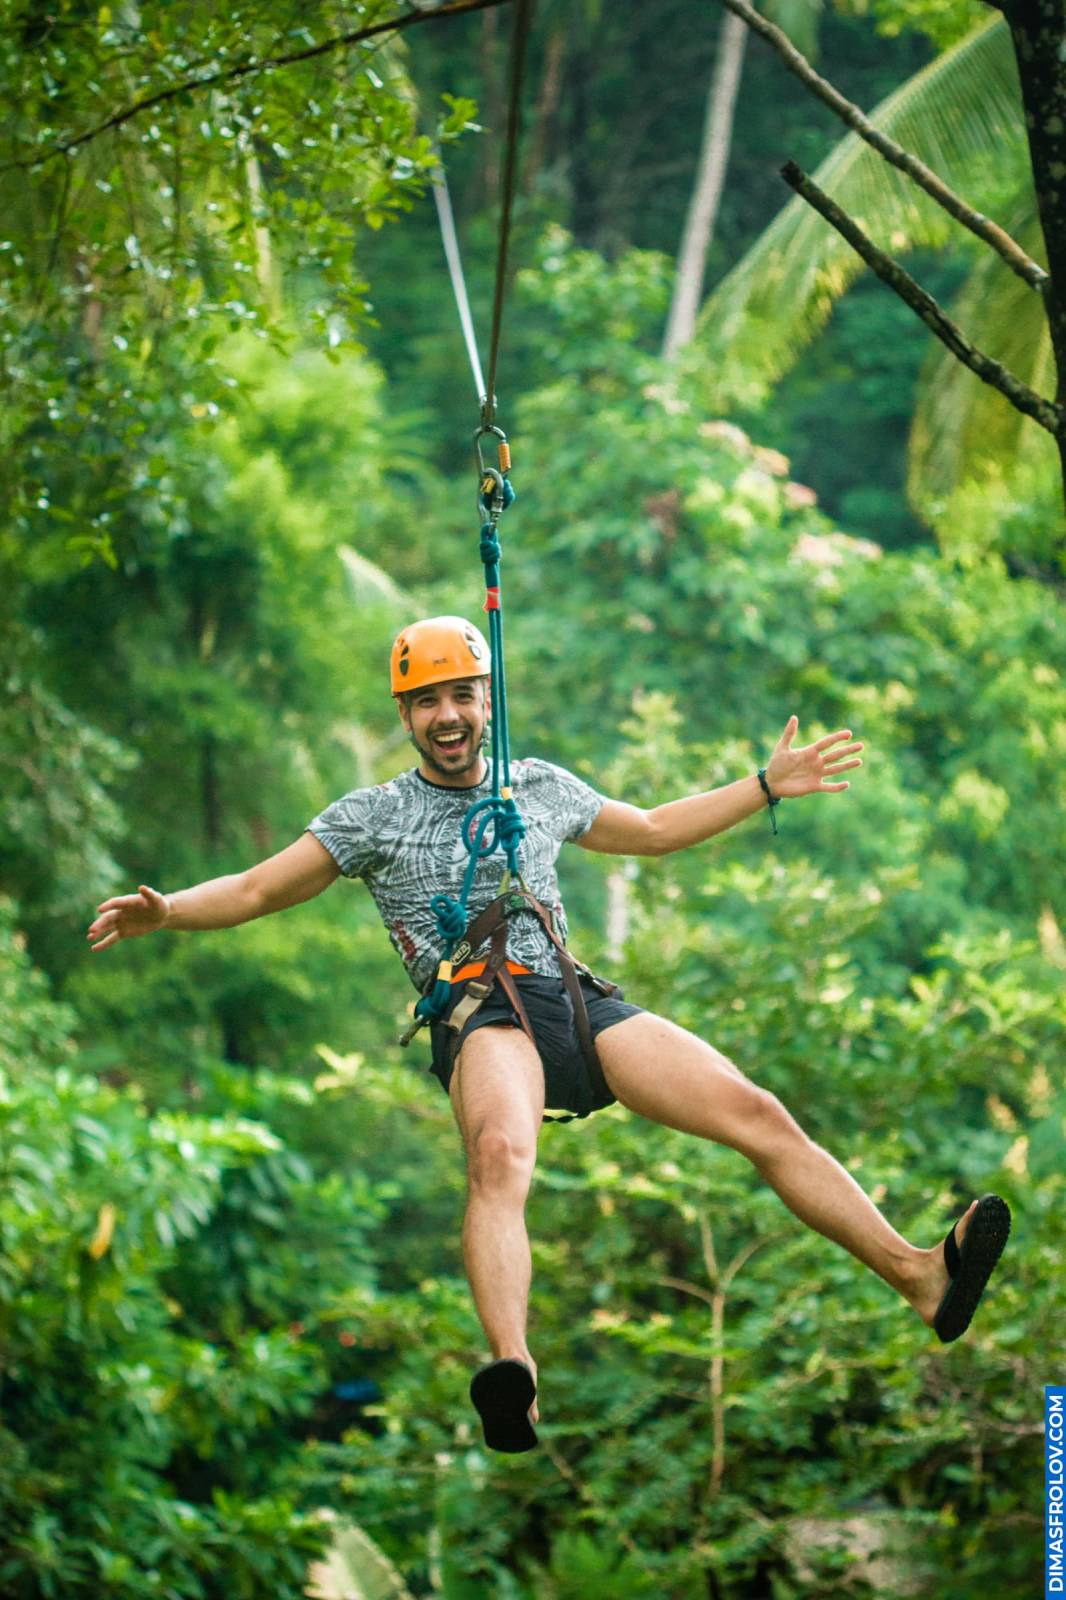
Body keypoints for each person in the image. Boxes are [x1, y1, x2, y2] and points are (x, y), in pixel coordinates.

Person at [87, 615, 1011, 1454]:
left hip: (575, 1001)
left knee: (757, 1113)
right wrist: (168, 911)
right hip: (480, 1011)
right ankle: (513, 1373)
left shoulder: (538, 785)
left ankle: (921, 1278)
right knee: (500, 1153)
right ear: (405, 715)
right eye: (427, 702)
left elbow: (649, 830)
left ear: (487, 701)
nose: (447, 716)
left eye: (461, 696)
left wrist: (764, 784)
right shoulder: (371, 817)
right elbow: (256, 890)